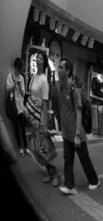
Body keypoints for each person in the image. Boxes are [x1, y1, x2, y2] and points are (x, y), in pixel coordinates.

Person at [57, 58, 100, 195]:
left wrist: (76, 135)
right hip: (66, 132)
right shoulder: (61, 87)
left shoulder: (74, 90)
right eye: (58, 68)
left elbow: (78, 112)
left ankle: (94, 181)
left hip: (76, 133)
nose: (59, 70)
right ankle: (70, 187)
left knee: (84, 159)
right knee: (68, 159)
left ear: (68, 71)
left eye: (61, 68)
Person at [23, 52, 62, 186]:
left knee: (41, 149)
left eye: (41, 58)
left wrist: (43, 124)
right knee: (36, 149)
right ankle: (50, 172)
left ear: (44, 62)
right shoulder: (34, 76)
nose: (38, 60)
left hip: (38, 118)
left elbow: (45, 105)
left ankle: (55, 173)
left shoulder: (44, 81)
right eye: (37, 58)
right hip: (32, 118)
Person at [6, 57, 30, 156]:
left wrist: (19, 86)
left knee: (22, 126)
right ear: (15, 67)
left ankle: (26, 147)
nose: (18, 71)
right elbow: (7, 89)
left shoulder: (21, 77)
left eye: (20, 69)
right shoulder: (10, 75)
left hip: (20, 106)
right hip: (13, 106)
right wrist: (14, 84)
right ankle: (20, 146)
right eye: (17, 68)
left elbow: (23, 94)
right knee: (16, 127)